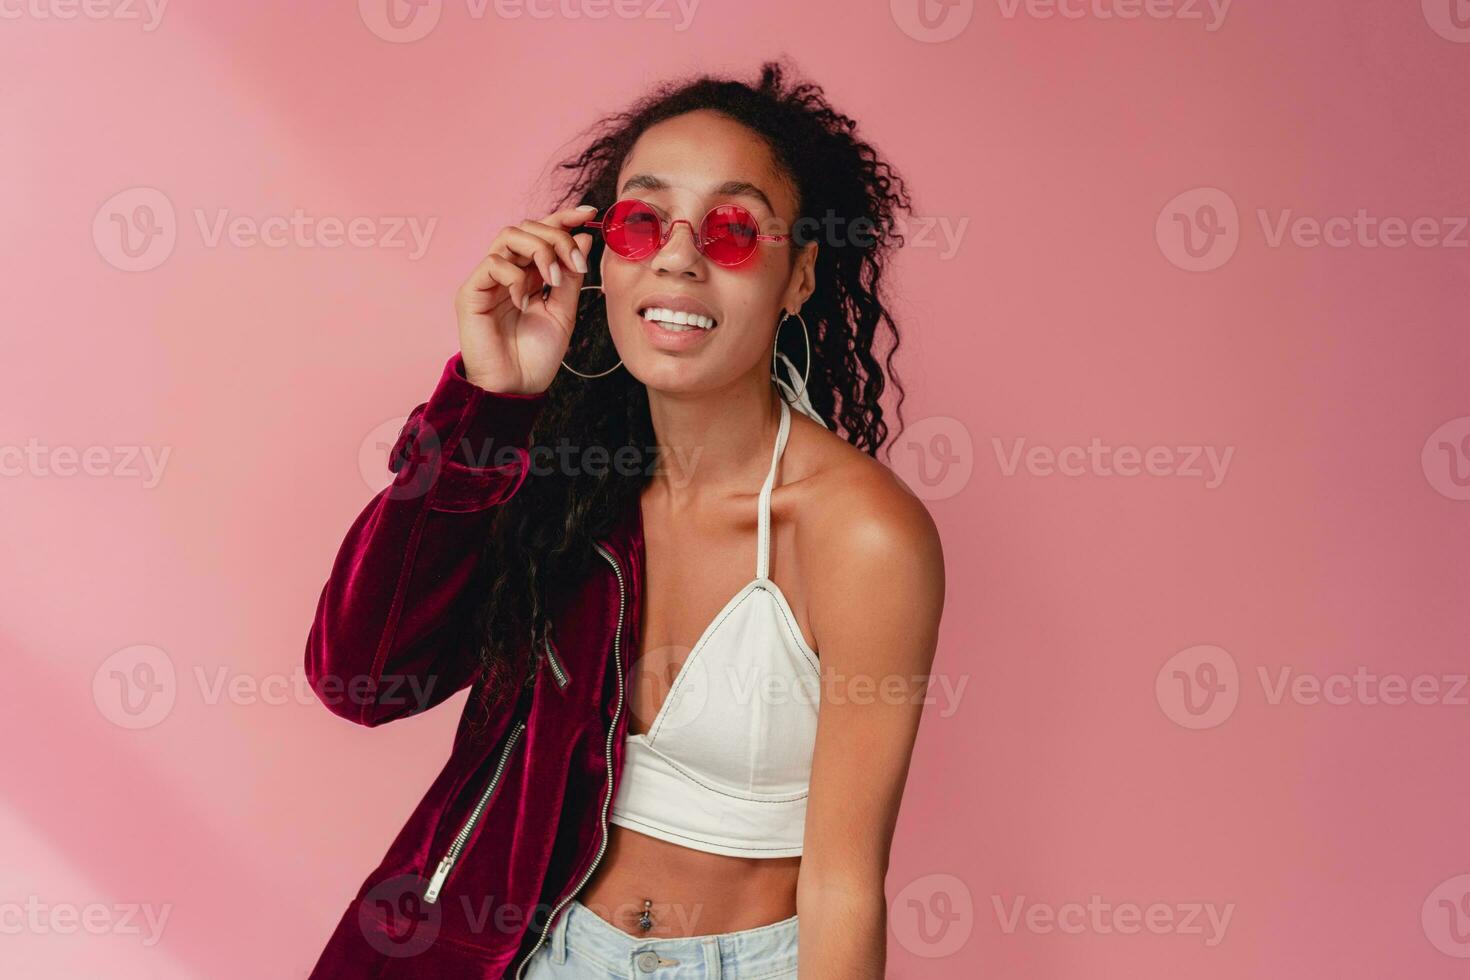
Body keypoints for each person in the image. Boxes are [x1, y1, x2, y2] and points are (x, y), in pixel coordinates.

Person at [305, 60, 945, 979]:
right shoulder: (564, 486)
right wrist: (488, 406)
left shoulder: (861, 534)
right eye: (643, 220)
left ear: (799, 274)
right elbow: (361, 679)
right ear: (600, 255)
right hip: (525, 953)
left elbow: (844, 883)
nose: (677, 256)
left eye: (732, 229)